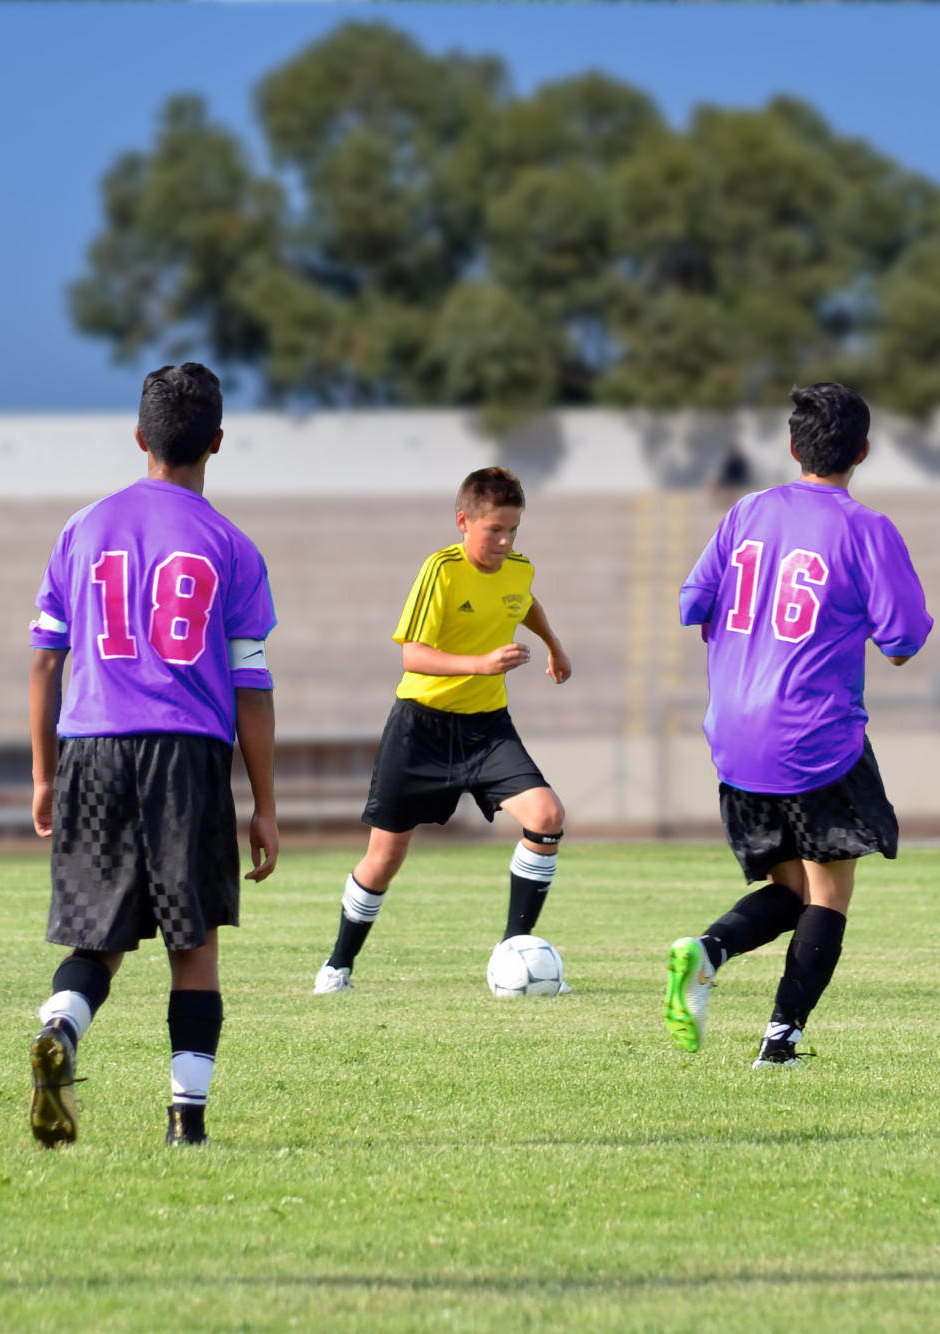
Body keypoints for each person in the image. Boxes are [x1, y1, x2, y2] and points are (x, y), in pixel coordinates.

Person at [28, 362, 278, 1147]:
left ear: (140, 438)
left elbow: (45, 658)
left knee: (96, 941)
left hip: (92, 748)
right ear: (218, 442)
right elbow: (252, 684)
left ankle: (62, 1033)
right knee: (192, 947)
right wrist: (264, 804)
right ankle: (185, 1122)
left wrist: (43, 772)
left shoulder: (82, 528)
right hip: (187, 753)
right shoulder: (232, 547)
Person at [666, 382, 932, 1067]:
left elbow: (691, 605)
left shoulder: (745, 512)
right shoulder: (867, 529)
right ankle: (780, 1044)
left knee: (790, 890)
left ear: (792, 448)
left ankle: (708, 951)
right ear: (864, 452)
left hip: (733, 737)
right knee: (830, 892)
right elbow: (902, 642)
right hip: (814, 737)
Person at [312, 466, 572, 995]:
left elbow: (524, 601)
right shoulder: (441, 570)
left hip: (486, 729)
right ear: (463, 521)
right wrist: (480, 664)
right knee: (384, 859)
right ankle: (338, 964)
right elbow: (413, 653)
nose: (503, 541)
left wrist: (554, 645)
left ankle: (512, 952)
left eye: (513, 531)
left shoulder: (519, 569)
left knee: (546, 816)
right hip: (419, 730)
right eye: (493, 530)